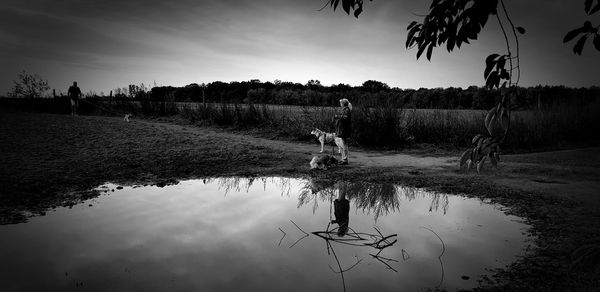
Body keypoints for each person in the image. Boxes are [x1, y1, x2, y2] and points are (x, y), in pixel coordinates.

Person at [334, 98, 352, 164]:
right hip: (343, 129)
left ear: (343, 103)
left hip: (344, 130)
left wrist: (338, 117)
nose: (340, 104)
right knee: (343, 144)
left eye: (341, 103)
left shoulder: (346, 110)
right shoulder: (345, 109)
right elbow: (344, 117)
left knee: (344, 144)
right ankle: (343, 159)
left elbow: (345, 119)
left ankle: (344, 159)